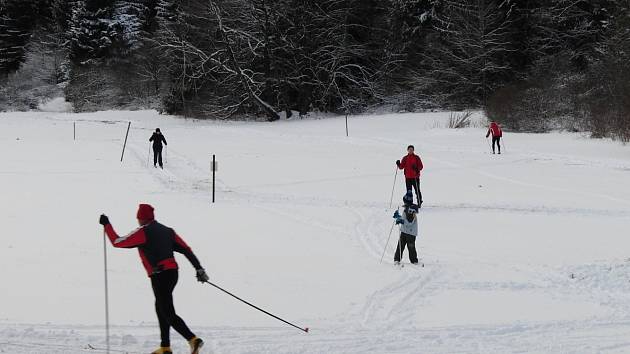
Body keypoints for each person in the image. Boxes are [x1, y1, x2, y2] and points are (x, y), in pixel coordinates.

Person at [99, 204, 208, 354]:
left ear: (140, 218)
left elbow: (117, 242)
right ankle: (165, 347)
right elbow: (185, 249)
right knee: (161, 307)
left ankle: (193, 339)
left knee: (167, 311)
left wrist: (107, 225)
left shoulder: (144, 232)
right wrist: (199, 269)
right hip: (172, 273)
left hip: (159, 275)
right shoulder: (168, 231)